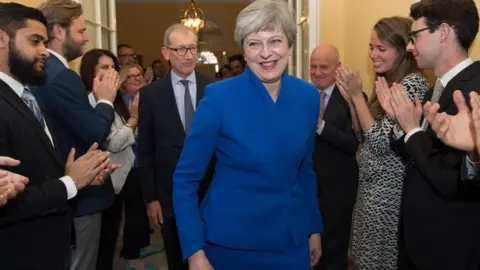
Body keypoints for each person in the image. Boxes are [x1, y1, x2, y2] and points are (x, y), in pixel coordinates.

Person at [172, 0, 322, 269]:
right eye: (254, 43)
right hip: (232, 242)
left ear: (289, 43)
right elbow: (185, 179)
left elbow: (305, 171)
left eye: (275, 41)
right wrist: (194, 250)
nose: (266, 53)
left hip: (291, 240)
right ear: (243, 50)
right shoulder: (219, 98)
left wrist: (314, 228)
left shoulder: (308, 97)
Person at [0, 3, 113, 269]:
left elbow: (30, 167)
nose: (44, 51)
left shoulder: (25, 93)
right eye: (35, 41)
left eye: (45, 41)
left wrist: (79, 174)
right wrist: (70, 182)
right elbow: (9, 203)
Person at [382, 0, 480, 269]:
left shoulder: (472, 91)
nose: (410, 47)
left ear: (444, 32)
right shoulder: (435, 88)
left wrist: (412, 130)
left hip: (449, 247)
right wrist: (401, 123)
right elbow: (415, 156)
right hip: (418, 239)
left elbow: (451, 180)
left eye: (414, 37)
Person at [335, 16, 429, 269]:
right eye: (371, 47)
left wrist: (357, 96)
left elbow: (379, 144)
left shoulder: (412, 84)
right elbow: (362, 137)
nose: (373, 54)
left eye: (381, 48)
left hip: (389, 198)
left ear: (402, 51)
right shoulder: (386, 80)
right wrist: (353, 102)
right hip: (369, 194)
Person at [36, 1, 119, 269]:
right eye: (81, 31)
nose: (86, 38)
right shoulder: (61, 75)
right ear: (59, 31)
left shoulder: (46, 71)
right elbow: (94, 133)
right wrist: (105, 100)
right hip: (81, 193)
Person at [138, 23, 215, 270]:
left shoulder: (213, 89)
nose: (189, 55)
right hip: (169, 194)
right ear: (166, 52)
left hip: (212, 190)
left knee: (213, 256)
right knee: (177, 257)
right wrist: (151, 198)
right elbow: (146, 150)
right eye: (181, 49)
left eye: (192, 48)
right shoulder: (150, 95)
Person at [310, 44, 359, 270]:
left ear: (337, 68)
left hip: (338, 192)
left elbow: (353, 143)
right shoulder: (304, 95)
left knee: (334, 251)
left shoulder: (351, 98)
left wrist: (321, 127)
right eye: (313, 67)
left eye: (323, 67)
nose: (317, 72)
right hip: (308, 189)